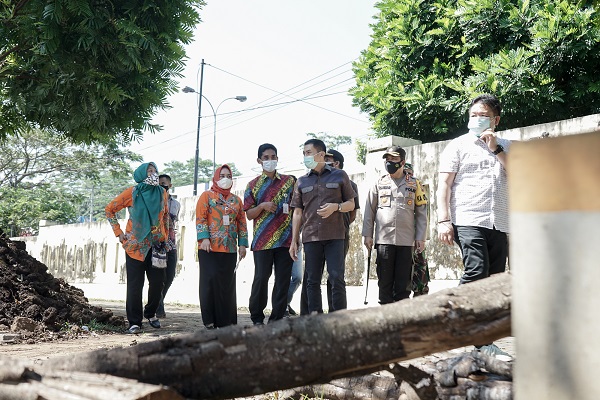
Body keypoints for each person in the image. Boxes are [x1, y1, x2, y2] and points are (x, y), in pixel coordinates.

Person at [436, 93, 511, 357]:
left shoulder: (507, 145)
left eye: (483, 116)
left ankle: (484, 342)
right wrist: (443, 220)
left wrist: (496, 149)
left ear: (496, 119)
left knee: (494, 282)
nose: (477, 119)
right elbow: (444, 184)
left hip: (500, 222)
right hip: (468, 218)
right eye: (473, 115)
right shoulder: (457, 146)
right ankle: (444, 316)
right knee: (476, 268)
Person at [289, 139, 356, 314]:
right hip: (311, 237)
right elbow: (297, 213)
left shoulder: (340, 175)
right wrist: (294, 240)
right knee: (312, 281)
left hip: (335, 236)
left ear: (321, 154)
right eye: (304, 153)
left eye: (308, 153)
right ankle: (315, 319)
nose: (305, 156)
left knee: (336, 278)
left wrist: (337, 207)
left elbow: (351, 204)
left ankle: (340, 319)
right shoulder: (301, 182)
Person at [105, 162, 170, 334]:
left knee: (158, 283)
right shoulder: (132, 192)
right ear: (141, 174)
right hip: (135, 247)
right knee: (135, 285)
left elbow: (165, 217)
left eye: (155, 170)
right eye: (149, 171)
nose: (153, 173)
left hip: (157, 245)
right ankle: (134, 322)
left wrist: (167, 236)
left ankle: (150, 313)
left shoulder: (162, 192)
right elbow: (110, 209)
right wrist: (118, 232)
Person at [362, 146, 427, 304]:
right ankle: (385, 317)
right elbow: (369, 210)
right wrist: (367, 235)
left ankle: (402, 318)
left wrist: (421, 238)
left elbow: (421, 213)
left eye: (394, 159)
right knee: (384, 282)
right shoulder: (379, 183)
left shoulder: (414, 184)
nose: (389, 162)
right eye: (387, 159)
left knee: (403, 284)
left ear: (402, 162)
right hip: (384, 240)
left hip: (406, 241)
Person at [244, 143, 295, 325]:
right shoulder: (252, 185)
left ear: (277, 159)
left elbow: (297, 208)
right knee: (261, 278)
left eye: (273, 157)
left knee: (283, 280)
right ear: (259, 161)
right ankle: (256, 317)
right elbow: (249, 214)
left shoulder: (289, 181)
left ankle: (277, 318)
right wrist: (262, 206)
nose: (270, 160)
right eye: (266, 158)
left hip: (285, 239)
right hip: (262, 241)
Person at [196, 164, 248, 329]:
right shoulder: (207, 196)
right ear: (216, 178)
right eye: (222, 175)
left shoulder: (236, 200)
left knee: (227, 285)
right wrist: (203, 238)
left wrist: (243, 244)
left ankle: (226, 321)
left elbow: (242, 223)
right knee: (209, 283)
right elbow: (201, 218)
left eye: (228, 175)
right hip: (209, 248)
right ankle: (209, 320)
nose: (225, 179)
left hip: (230, 248)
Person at [156, 174, 181, 318]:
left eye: (164, 184)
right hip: (157, 244)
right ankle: (158, 306)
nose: (162, 186)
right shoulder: (154, 202)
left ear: (170, 186)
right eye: (159, 184)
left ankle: (159, 301)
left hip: (171, 244)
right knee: (158, 277)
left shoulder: (176, 204)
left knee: (170, 275)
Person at [403, 162, 430, 297]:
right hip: (403, 236)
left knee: (420, 265)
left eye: (410, 173)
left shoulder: (417, 186)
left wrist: (422, 236)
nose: (407, 176)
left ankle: (421, 292)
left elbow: (423, 213)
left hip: (416, 235)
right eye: (405, 173)